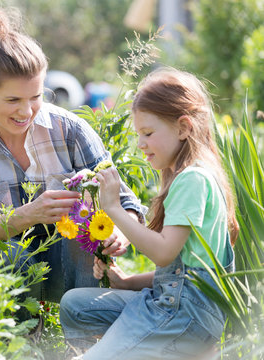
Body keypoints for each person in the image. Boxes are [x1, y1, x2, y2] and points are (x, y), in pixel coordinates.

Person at [0, 4, 146, 303]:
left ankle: (85, 339)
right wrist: (28, 215)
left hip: (73, 270)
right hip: (10, 267)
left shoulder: (69, 128)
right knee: (8, 257)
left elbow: (126, 203)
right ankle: (18, 342)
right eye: (13, 99)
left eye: (35, 96)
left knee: (83, 233)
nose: (26, 111)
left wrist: (119, 234)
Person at [60, 67, 238, 359]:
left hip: (181, 315)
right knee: (75, 305)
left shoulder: (192, 179)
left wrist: (114, 208)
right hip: (175, 305)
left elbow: (165, 253)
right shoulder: (196, 176)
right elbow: (182, 272)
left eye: (148, 133)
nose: (140, 143)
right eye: (138, 134)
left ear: (183, 127)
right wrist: (128, 283)